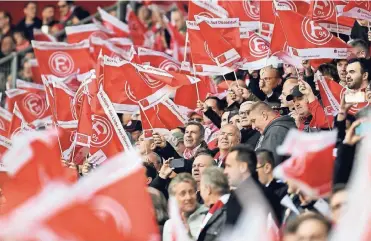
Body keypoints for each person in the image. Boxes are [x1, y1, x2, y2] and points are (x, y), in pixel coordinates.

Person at [223, 145, 283, 226]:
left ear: (243, 167)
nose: (225, 172)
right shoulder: (236, 195)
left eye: (229, 166)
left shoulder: (261, 198)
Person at [163, 173, 208, 241]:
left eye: (191, 192)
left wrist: (188, 236)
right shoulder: (169, 225)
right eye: (183, 193)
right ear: (174, 198)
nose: (188, 197)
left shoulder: (208, 216)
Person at [198, 167, 230, 241]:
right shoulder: (232, 205)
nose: (200, 193)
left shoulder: (226, 211)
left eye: (201, 188)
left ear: (208, 189)